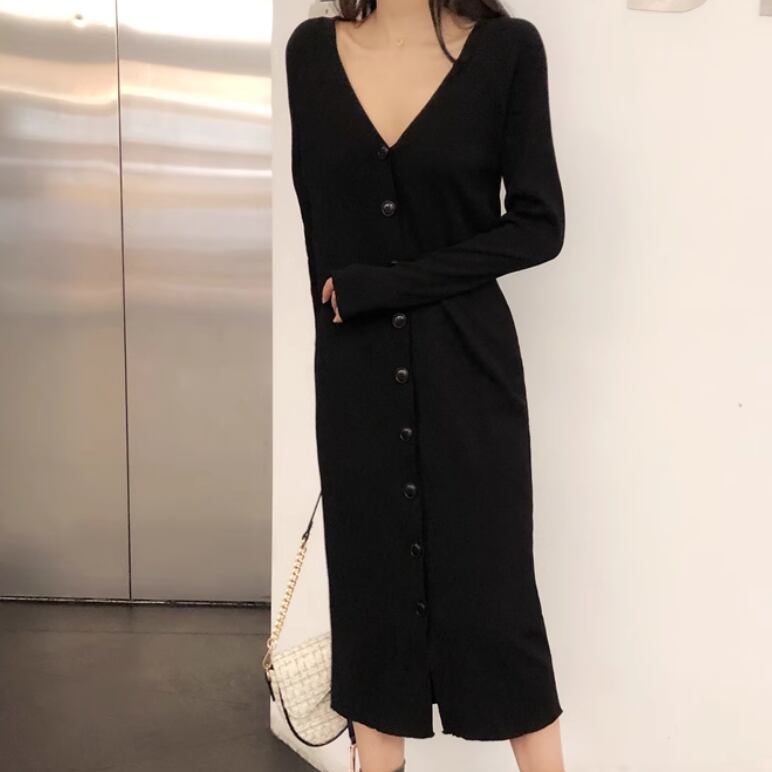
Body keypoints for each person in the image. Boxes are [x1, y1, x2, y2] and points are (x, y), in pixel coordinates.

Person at [285, 2, 567, 770]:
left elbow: (540, 224)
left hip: (470, 379)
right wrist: (340, 382)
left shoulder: (507, 51)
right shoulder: (311, 53)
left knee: (499, 615)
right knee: (372, 623)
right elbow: (322, 241)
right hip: (357, 385)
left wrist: (387, 286)